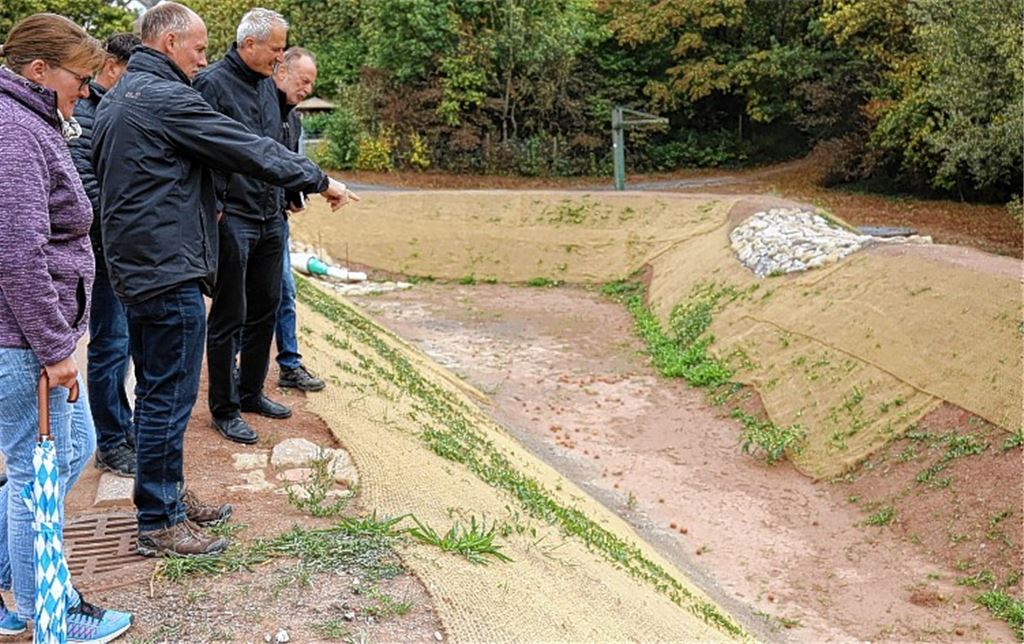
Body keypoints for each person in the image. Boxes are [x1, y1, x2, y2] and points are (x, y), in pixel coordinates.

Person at [92, 2, 355, 557]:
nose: (204, 58)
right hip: (166, 269)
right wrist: (317, 177)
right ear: (169, 44)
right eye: (200, 48)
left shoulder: (123, 97)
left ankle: (169, 498)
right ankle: (161, 521)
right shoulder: (166, 98)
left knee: (162, 389)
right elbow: (245, 147)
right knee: (170, 395)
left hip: (141, 265)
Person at [0, 13, 133, 642]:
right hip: (21, 340)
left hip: (30, 334)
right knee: (38, 472)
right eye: (78, 77)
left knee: (56, 454)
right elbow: (17, 252)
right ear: (37, 71)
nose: (86, 88)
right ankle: (42, 609)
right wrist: (55, 347)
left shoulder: (33, 122)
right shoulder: (15, 133)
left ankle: (9, 580)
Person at [193, 8, 299, 444]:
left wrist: (288, 195)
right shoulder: (211, 84)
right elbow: (201, 148)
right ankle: (224, 406)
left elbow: (278, 144)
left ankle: (252, 390)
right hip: (233, 215)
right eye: (275, 49)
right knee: (229, 314)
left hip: (270, 215)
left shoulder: (269, 88)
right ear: (249, 44)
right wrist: (215, 204)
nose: (280, 58)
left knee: (266, 308)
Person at [68, 32, 140, 479]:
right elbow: (86, 189)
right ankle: (110, 441)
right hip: (104, 247)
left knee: (125, 343)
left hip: (122, 246)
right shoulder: (86, 114)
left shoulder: (111, 108)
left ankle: (123, 425)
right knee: (111, 344)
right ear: (111, 67)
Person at [272, 47, 326, 392]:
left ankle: (290, 364)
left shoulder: (294, 118)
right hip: (242, 217)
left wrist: (296, 197)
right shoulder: (259, 109)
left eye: (311, 83)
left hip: (275, 218)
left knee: (284, 294)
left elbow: (292, 163)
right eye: (303, 81)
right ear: (282, 73)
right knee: (239, 303)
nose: (306, 89)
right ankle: (231, 369)